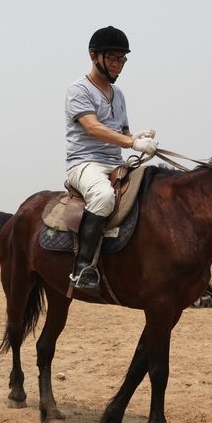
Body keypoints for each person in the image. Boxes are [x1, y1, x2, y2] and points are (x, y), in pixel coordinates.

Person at [65, 26, 159, 294]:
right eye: (113, 58)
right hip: (84, 163)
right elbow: (93, 128)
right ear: (94, 56)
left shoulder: (119, 95)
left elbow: (122, 132)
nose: (119, 65)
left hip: (114, 163)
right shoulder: (78, 90)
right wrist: (132, 142)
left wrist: (136, 135)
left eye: (122, 59)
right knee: (104, 198)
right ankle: (82, 268)